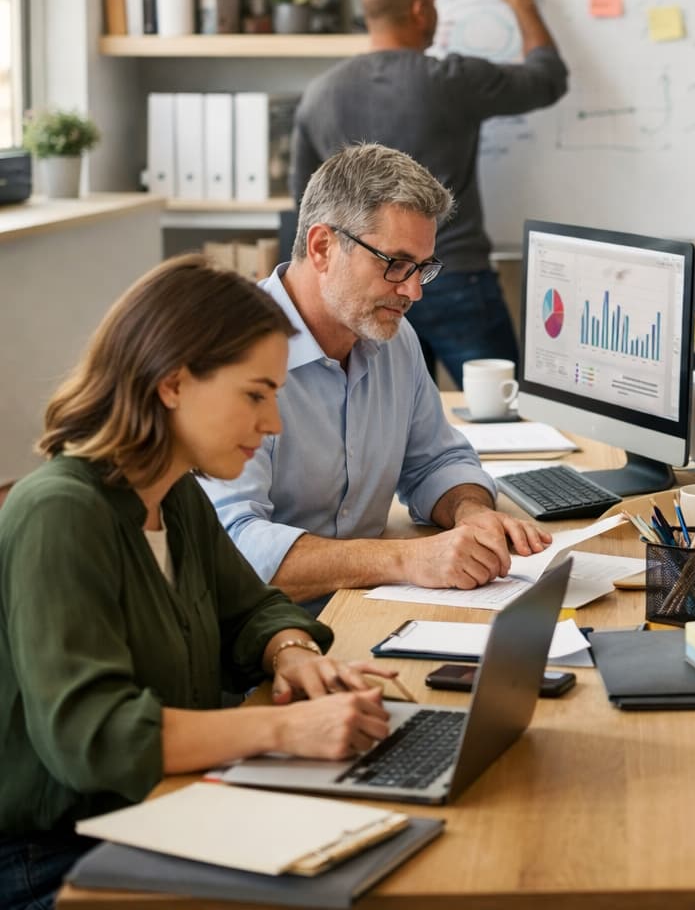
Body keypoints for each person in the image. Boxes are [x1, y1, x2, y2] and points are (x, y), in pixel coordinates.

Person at [0, 256, 400, 908]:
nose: (272, 423)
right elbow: (96, 739)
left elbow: (255, 611)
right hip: (54, 862)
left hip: (161, 812)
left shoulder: (177, 496)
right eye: (255, 394)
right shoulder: (60, 514)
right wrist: (285, 731)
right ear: (172, 384)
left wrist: (291, 655)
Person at [202, 143, 549, 609]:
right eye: (394, 264)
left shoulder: (393, 338)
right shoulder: (230, 356)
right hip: (265, 638)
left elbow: (434, 461)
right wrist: (406, 560)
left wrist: (470, 512)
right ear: (322, 247)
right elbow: (235, 550)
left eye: (422, 269)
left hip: (362, 607)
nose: (412, 292)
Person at [290, 0, 569, 387]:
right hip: (454, 274)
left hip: (367, 286)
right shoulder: (451, 80)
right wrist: (521, 2)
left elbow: (304, 209)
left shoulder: (319, 95)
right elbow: (547, 78)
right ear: (421, 10)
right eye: (435, 2)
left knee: (391, 417)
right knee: (509, 413)